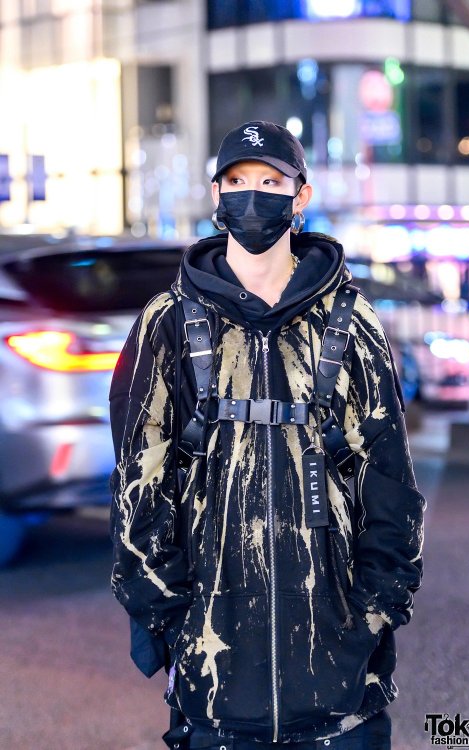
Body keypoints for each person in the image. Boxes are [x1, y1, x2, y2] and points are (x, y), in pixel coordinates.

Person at [108, 120, 426, 750]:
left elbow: (390, 481)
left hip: (341, 695)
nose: (253, 195)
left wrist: (370, 615)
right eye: (236, 181)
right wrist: (172, 621)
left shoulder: (351, 323)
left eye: (271, 181)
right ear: (217, 196)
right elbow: (138, 487)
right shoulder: (169, 323)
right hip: (214, 685)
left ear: (299, 196)